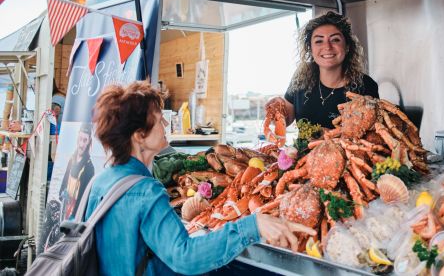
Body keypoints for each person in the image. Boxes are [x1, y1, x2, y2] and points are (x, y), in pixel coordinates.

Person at [86, 81, 315, 275]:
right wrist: (252, 225)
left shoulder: (101, 182)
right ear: (139, 136)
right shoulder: (145, 191)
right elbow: (184, 255)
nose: (166, 124)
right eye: (158, 120)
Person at [268, 11, 379, 130]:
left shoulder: (365, 85)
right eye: (319, 41)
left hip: (348, 148)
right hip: (303, 149)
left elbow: (373, 132)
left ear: (347, 47)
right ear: (310, 49)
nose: (327, 47)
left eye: (335, 40)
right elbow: (286, 119)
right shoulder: (301, 78)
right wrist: (275, 112)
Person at [59, 122, 95, 221]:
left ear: (89, 142)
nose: (81, 144)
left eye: (85, 140)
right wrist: (62, 193)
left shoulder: (89, 168)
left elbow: (85, 198)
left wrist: (75, 216)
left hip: (77, 214)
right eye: (80, 139)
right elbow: (64, 181)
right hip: (65, 207)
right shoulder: (72, 159)